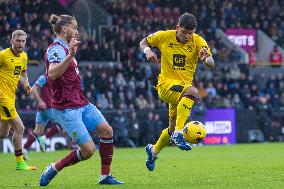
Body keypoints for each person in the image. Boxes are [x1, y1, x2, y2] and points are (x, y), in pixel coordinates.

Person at [39, 14, 123, 186]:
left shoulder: (68, 47)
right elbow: (52, 74)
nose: (77, 31)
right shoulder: (56, 49)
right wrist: (70, 55)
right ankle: (54, 167)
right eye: (75, 27)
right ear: (64, 29)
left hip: (81, 103)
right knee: (88, 151)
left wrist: (71, 54)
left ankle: (105, 176)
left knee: (107, 131)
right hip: (66, 108)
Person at [139, 12, 214, 171]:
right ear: (177, 27)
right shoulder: (164, 36)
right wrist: (148, 51)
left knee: (171, 127)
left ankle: (153, 151)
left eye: (190, 33)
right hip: (166, 85)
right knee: (193, 92)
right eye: (184, 32)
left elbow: (211, 63)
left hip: (181, 92)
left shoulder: (198, 41)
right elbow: (143, 42)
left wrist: (206, 58)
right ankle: (179, 134)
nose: (187, 36)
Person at [0, 30, 36, 170]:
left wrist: (27, 85)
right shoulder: (3, 55)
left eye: (23, 41)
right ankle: (20, 162)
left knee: (3, 133)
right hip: (2, 97)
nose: (20, 43)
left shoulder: (24, 57)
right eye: (18, 41)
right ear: (12, 40)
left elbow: (23, 74)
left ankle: (20, 162)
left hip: (11, 96)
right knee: (20, 127)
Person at [23, 74, 63, 159]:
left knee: (38, 131)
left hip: (43, 109)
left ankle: (24, 149)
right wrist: (40, 101)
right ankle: (44, 139)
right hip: (48, 107)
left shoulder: (55, 78)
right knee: (62, 123)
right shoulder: (44, 77)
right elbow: (33, 89)